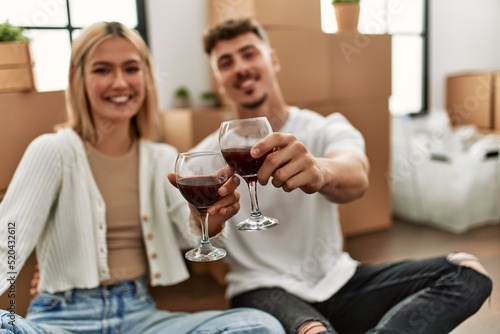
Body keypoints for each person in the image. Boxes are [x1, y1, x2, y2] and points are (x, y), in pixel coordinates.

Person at [187, 17, 493, 334]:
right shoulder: (207, 156)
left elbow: (356, 174)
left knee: (467, 272)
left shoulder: (324, 127)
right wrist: (206, 222)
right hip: (261, 288)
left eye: (249, 53)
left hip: (339, 280)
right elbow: (197, 231)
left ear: (272, 59)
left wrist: (320, 170)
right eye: (226, 62)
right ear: (218, 79)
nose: (240, 67)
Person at [0, 21, 285, 334]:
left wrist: (210, 219)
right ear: (78, 79)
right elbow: (6, 243)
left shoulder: (161, 157)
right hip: (60, 319)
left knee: (261, 325)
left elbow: (196, 234)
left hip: (141, 318)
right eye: (102, 70)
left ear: (146, 77)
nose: (120, 82)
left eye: (131, 68)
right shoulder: (52, 151)